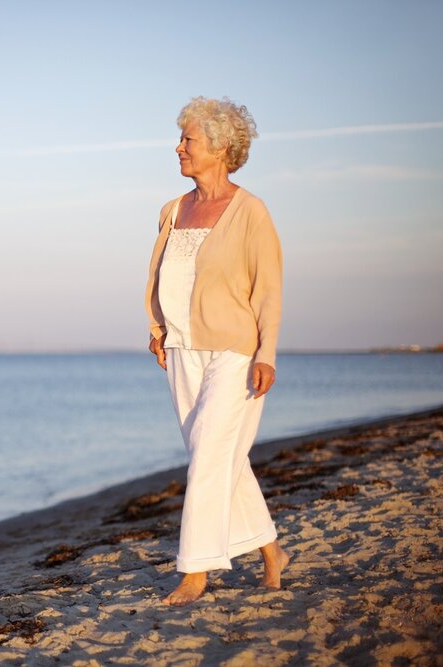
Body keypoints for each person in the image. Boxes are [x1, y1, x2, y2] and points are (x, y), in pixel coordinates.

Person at [144, 96, 290, 606]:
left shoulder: (250, 212)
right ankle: (271, 550)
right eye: (181, 138)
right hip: (182, 349)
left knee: (209, 453)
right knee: (218, 456)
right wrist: (158, 327)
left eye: (188, 139)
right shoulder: (172, 210)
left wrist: (267, 352)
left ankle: (195, 570)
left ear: (221, 147)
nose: (178, 147)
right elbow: (163, 277)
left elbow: (268, 288)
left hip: (235, 350)